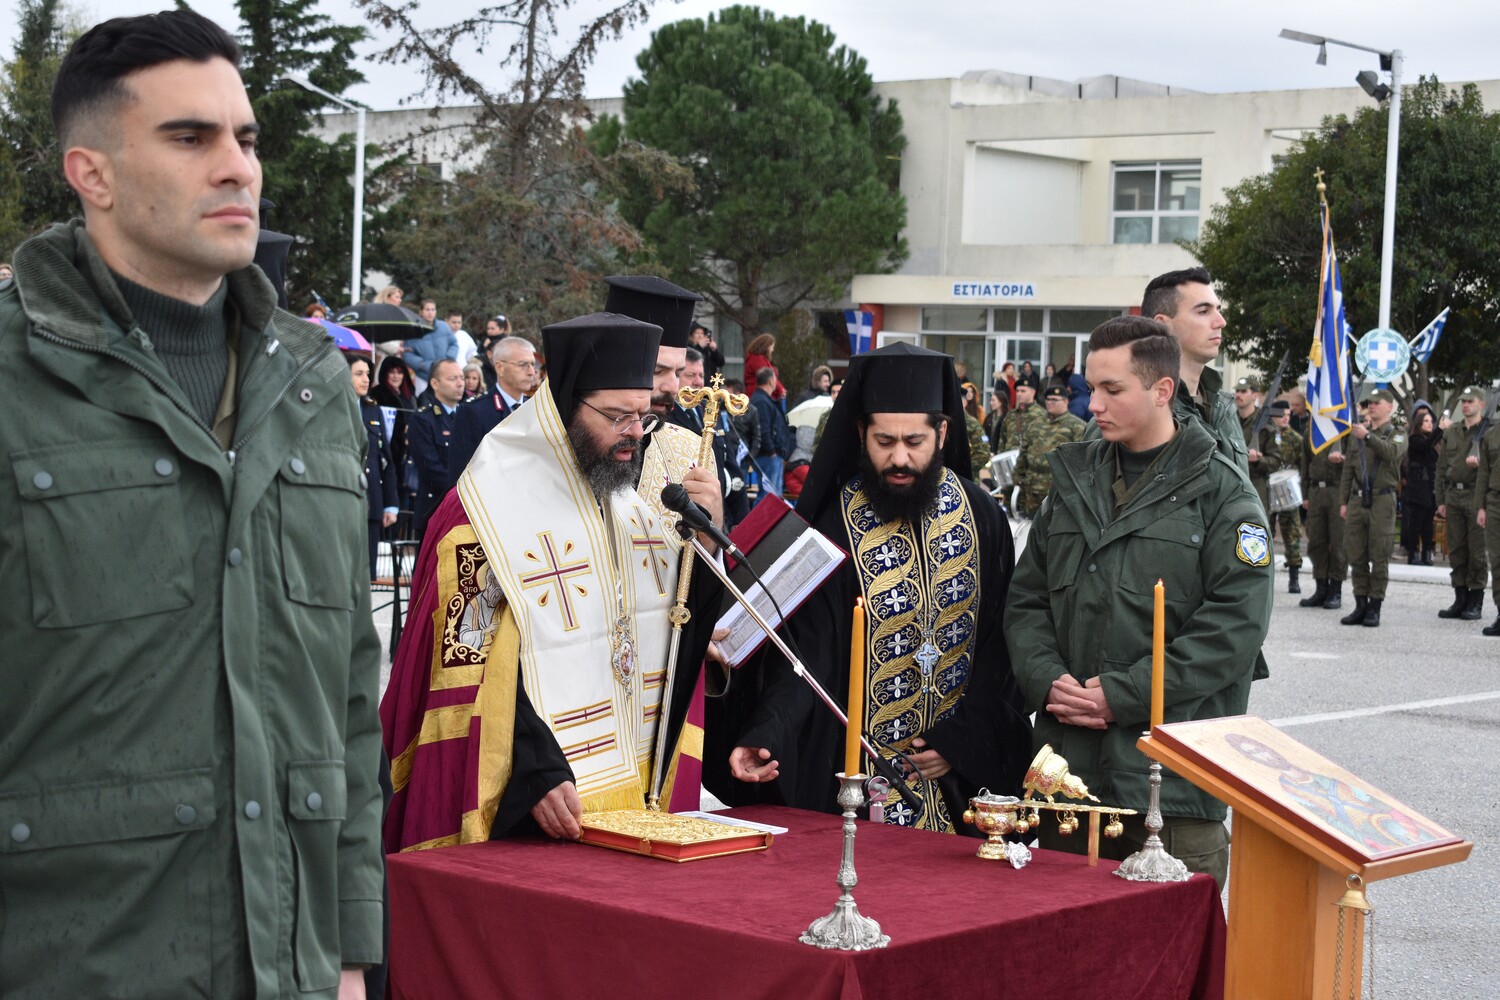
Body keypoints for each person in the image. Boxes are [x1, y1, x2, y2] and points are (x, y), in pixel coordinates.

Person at [0, 11, 383, 996]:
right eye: (190, 137)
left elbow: (345, 694)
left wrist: (346, 951)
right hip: (79, 961)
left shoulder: (309, 384)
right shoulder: (14, 379)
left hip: (289, 962)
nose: (236, 167)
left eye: (245, 138)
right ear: (94, 173)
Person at [380, 313, 724, 849]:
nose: (635, 435)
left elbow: (669, 633)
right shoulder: (480, 512)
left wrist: (704, 541)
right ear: (562, 406)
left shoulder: (630, 506)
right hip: (526, 801)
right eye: (617, 417)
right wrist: (534, 767)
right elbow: (463, 668)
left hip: (626, 799)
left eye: (641, 418)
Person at [1006, 317, 1272, 889]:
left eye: (1111, 389)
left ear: (1162, 390)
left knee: (1163, 967)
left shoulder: (1221, 491)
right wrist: (1045, 677)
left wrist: (1125, 694)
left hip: (1169, 786)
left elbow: (1235, 628)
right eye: (1090, 387)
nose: (1092, 403)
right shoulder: (1075, 481)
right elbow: (1027, 599)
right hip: (1067, 777)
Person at [727, 342, 1033, 831]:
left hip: (962, 787)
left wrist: (961, 742)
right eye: (884, 441)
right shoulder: (832, 530)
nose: (900, 459)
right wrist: (768, 732)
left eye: (915, 441)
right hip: (859, 786)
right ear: (860, 433)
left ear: (943, 431)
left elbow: (1006, 643)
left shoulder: (984, 518)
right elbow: (807, 657)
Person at [1119, 267, 1249, 473]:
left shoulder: (1223, 406)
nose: (1221, 322)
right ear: (1161, 325)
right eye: (1203, 311)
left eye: (1218, 309)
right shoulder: (1130, 410)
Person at [1340, 389, 1407, 628]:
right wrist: (1344, 502)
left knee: (1379, 555)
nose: (1371, 406)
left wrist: (1367, 437)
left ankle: (1375, 605)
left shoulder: (1397, 433)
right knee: (1356, 553)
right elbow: (1349, 469)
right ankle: (1360, 603)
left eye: (1377, 403)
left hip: (1382, 500)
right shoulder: (1356, 434)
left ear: (1389, 407)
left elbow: (1391, 453)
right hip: (1357, 499)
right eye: (1369, 403)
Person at [1436, 386, 1490, 621]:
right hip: (1454, 496)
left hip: (1476, 496)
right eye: (1463, 401)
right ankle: (1460, 598)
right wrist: (1440, 499)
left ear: (1481, 405)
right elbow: (1440, 468)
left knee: (1476, 552)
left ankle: (1475, 601)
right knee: (1456, 550)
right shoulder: (1453, 431)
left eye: (1470, 401)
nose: (1465, 405)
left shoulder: (1489, 432)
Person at [448, 335, 538, 475]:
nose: (531, 372)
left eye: (532, 364)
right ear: (500, 368)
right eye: (523, 364)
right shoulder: (474, 411)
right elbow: (460, 471)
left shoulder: (535, 408)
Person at [350, 354, 400, 576]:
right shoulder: (330, 410)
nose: (366, 379)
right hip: (344, 500)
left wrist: (391, 504)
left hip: (371, 501)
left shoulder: (373, 410)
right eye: (359, 374)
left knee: (367, 572)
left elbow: (386, 461)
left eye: (368, 374)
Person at [408, 358, 466, 538]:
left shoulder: (467, 416)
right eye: (452, 378)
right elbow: (430, 467)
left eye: (462, 378)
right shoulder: (423, 419)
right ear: (435, 383)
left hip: (464, 510)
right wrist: (462, 492)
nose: (460, 384)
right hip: (435, 508)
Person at [1299, 411, 1349, 610]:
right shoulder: (1310, 433)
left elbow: (1352, 463)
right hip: (1316, 491)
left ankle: (1335, 589)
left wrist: (1342, 460)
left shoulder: (1344, 430)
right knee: (1317, 542)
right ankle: (1321, 588)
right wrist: (1305, 494)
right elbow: (1305, 464)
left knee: (1338, 542)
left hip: (1337, 489)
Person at [1013, 384, 1086, 516]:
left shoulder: (1077, 426)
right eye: (1048, 400)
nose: (1050, 403)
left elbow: (1081, 460)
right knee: (1031, 525)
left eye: (1054, 400)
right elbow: (1024, 452)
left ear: (1065, 401)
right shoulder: (1035, 423)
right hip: (1032, 486)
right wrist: (1017, 475)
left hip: (1058, 488)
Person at [1235, 375, 1283, 516]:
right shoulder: (1229, 421)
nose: (1238, 395)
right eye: (1237, 391)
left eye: (1244, 391)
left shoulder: (1266, 425)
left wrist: (1258, 460)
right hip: (1232, 486)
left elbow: (1276, 461)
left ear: (1255, 395)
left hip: (1256, 487)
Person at [1269, 400, 1304, 592]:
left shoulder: (1295, 439)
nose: (1285, 418)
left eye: (1288, 415)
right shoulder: (1266, 434)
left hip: (1287, 489)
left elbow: (1302, 464)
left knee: (1292, 533)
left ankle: (1294, 577)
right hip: (1266, 487)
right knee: (1265, 532)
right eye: (1281, 415)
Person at [1402, 400, 1439, 567]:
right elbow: (1424, 446)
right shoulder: (1415, 439)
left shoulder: (1432, 443)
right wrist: (1440, 430)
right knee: (1415, 522)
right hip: (1417, 487)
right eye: (1426, 421)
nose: (1430, 424)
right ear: (1419, 423)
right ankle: (1413, 552)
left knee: (1427, 523)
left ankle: (1426, 553)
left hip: (1429, 487)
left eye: (1431, 422)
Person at [1476, 401, 1500, 635]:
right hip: (1495, 503)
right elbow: (1483, 473)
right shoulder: (1492, 435)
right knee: (1498, 561)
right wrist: (1480, 506)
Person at [750, 366, 790, 495]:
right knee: (768, 497)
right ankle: (760, 517)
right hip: (767, 456)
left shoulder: (763, 399)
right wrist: (771, 451)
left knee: (772, 496)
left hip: (769, 455)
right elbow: (763, 429)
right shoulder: (762, 401)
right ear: (771, 381)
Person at [402, 299, 459, 387]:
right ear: (421, 312)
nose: (430, 313)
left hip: (444, 374)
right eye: (427, 310)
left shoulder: (444, 326)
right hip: (423, 376)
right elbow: (407, 354)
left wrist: (449, 359)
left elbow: (454, 344)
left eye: (433, 310)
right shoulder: (413, 330)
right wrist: (423, 365)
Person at [743, 332, 786, 402]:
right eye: (772, 347)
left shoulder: (758, 359)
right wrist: (781, 390)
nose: (773, 350)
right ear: (767, 346)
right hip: (759, 396)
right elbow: (768, 375)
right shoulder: (757, 359)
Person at [690, 321, 725, 385]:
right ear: (691, 335)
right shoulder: (688, 347)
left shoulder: (707, 349)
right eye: (697, 333)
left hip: (711, 385)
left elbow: (721, 362)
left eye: (702, 333)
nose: (700, 335)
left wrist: (714, 350)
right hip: (696, 383)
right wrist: (699, 347)